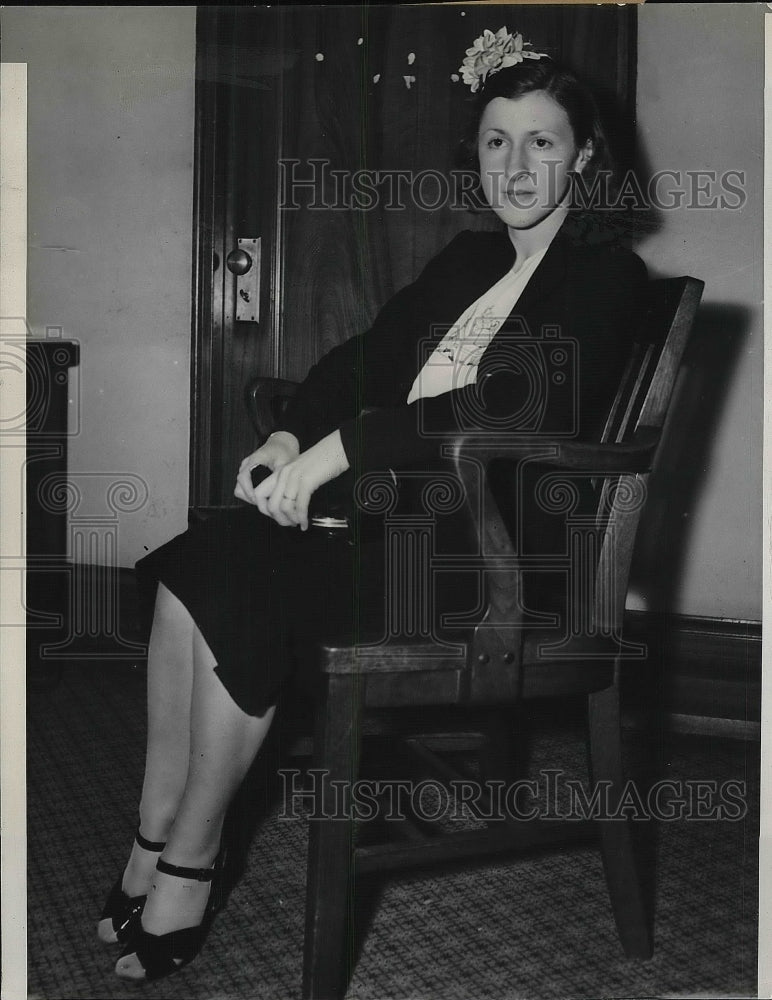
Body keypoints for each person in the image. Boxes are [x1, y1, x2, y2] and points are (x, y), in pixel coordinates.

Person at [99, 29, 647, 982]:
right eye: (495, 142)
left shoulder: (607, 277)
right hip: (394, 527)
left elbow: (519, 400)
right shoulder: (470, 263)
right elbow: (361, 360)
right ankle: (152, 835)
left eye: (543, 143)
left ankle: (190, 855)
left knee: (249, 583)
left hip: (491, 564)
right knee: (201, 560)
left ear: (587, 157)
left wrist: (344, 447)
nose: (516, 166)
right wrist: (287, 436)